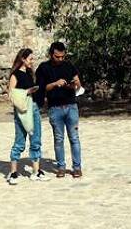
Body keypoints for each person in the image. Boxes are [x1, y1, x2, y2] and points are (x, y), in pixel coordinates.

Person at [36, 41, 82, 178]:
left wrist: (75, 84)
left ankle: (77, 167)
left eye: (62, 56)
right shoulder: (43, 68)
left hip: (71, 106)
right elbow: (41, 88)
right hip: (55, 108)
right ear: (51, 54)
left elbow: (78, 84)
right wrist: (56, 84)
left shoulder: (69, 66)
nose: (60, 59)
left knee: (74, 137)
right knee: (59, 139)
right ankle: (61, 166)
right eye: (57, 57)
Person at [6, 48, 49, 185]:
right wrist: (27, 91)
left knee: (36, 139)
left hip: (34, 108)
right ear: (23, 59)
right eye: (30, 58)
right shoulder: (15, 75)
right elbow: (12, 95)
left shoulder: (30, 74)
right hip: (22, 111)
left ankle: (36, 171)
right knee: (19, 141)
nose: (32, 61)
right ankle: (13, 172)